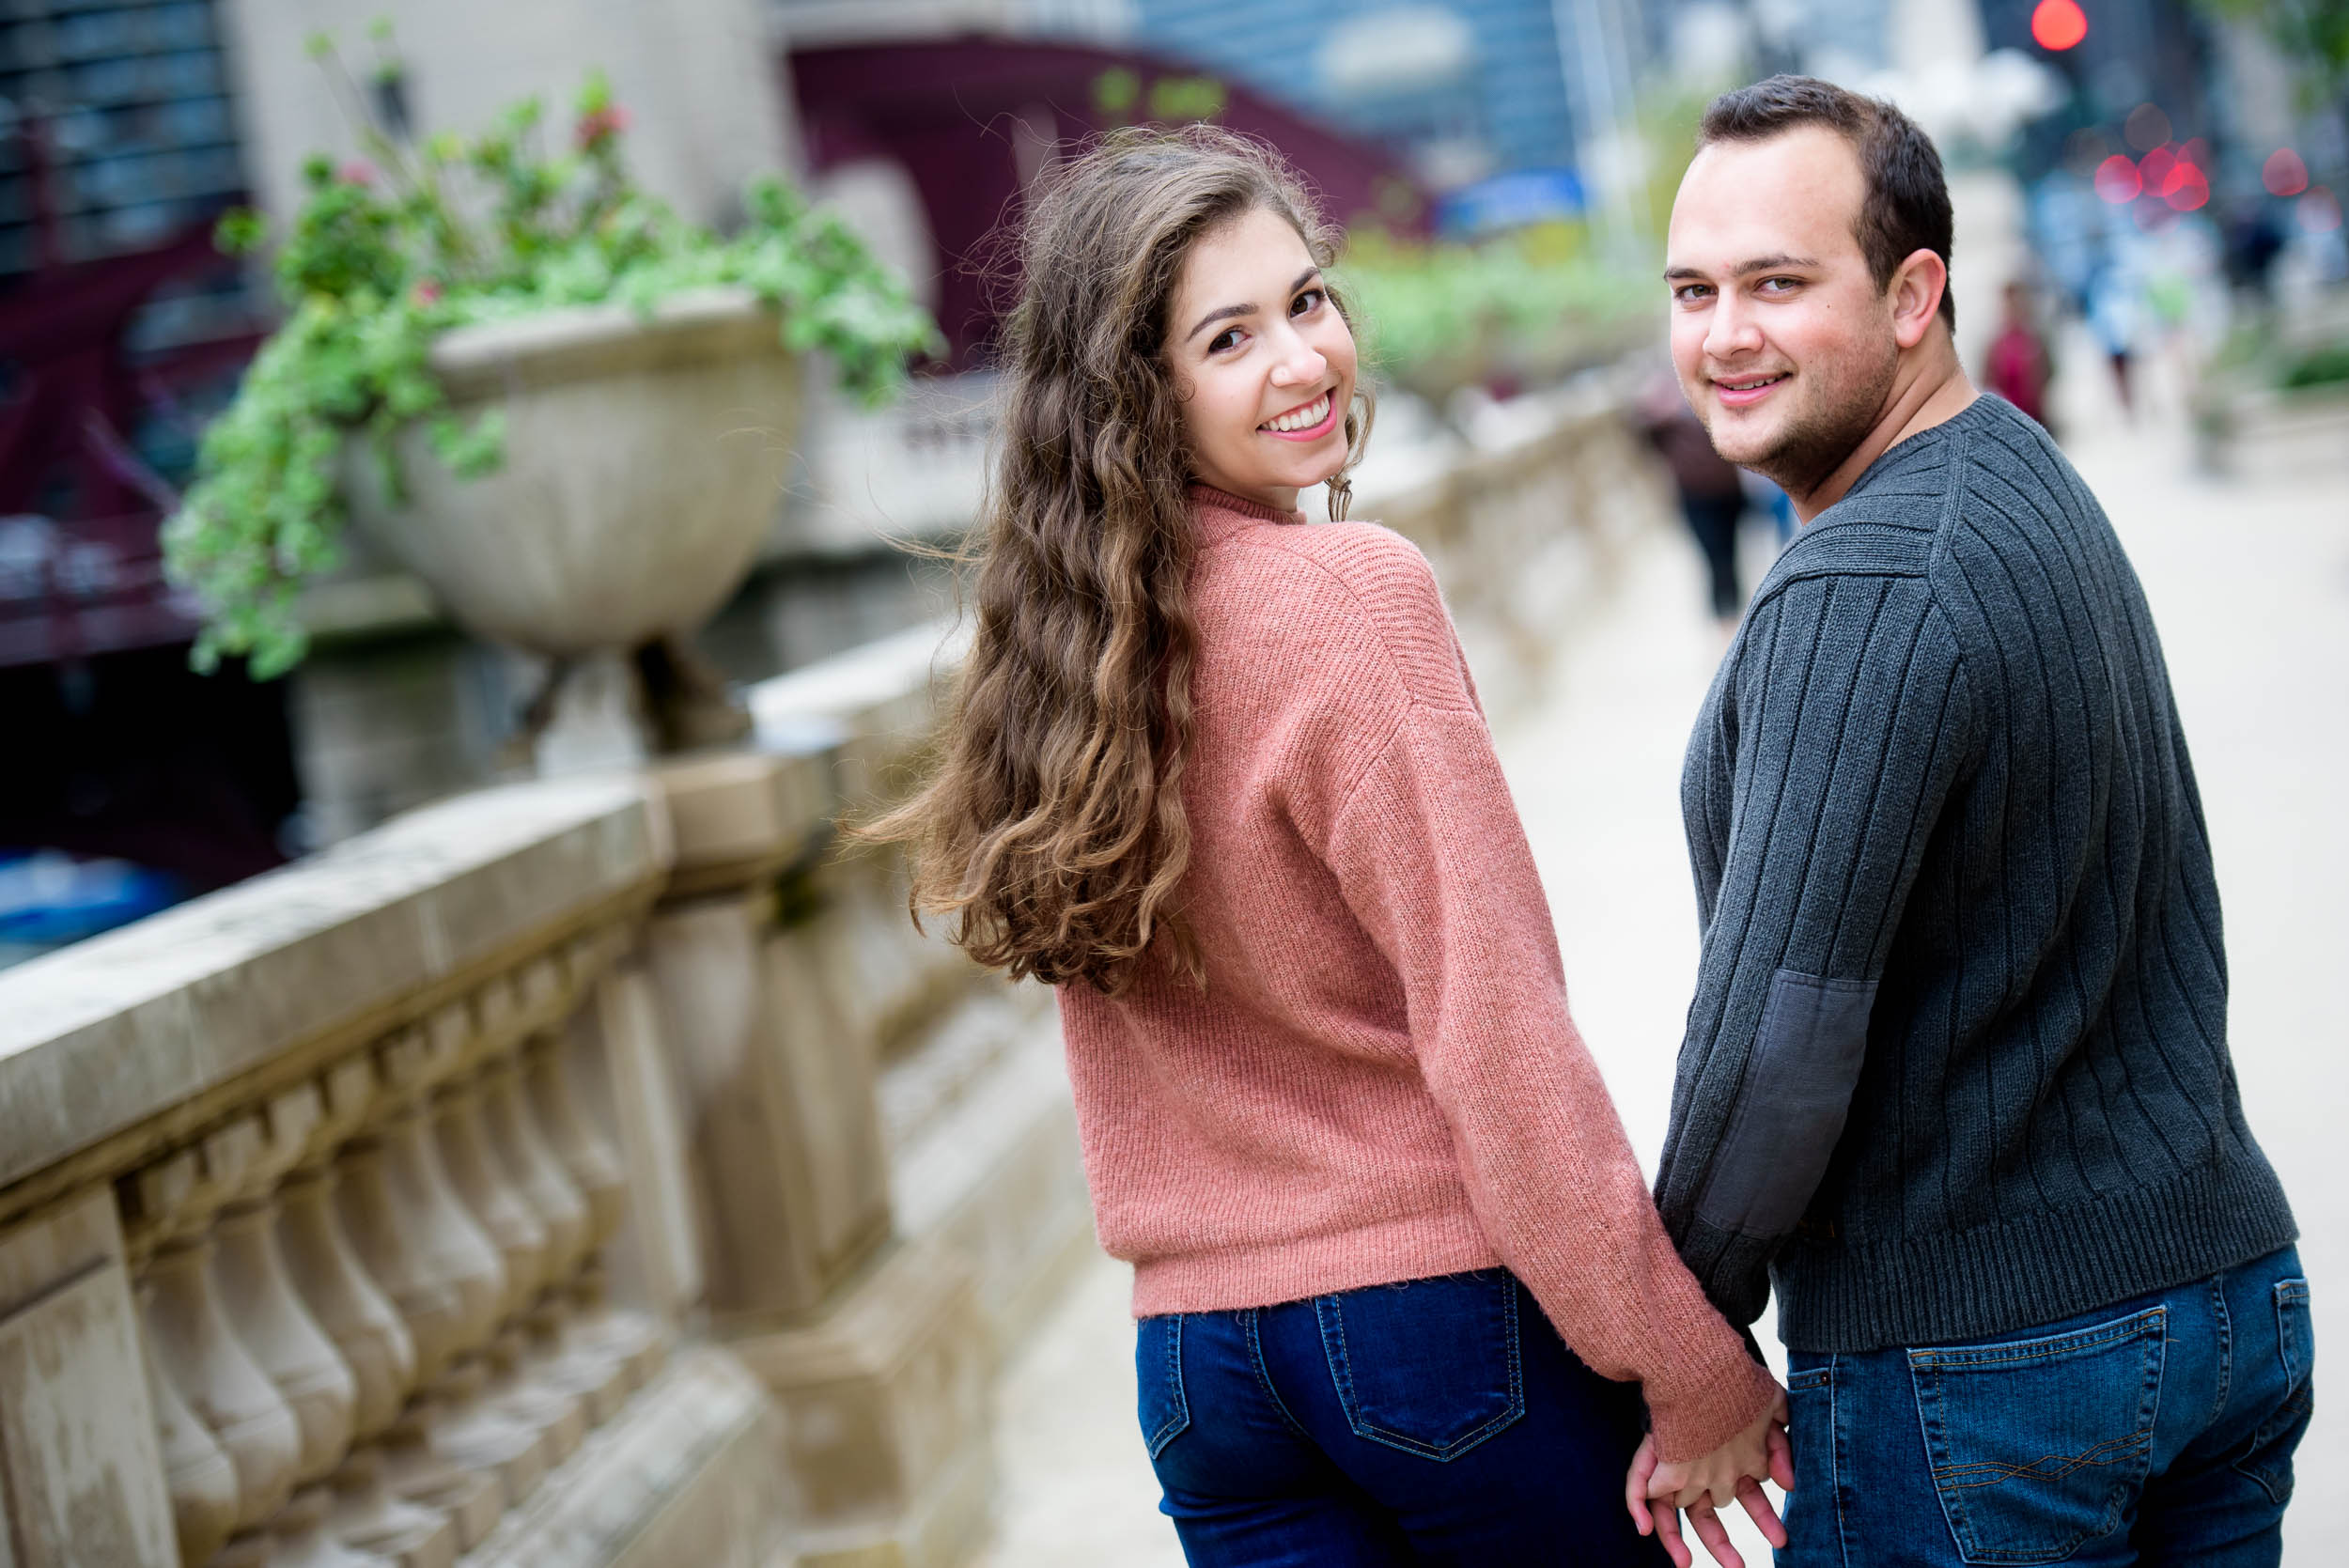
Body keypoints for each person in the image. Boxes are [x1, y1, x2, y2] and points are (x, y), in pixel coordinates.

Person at [866, 125, 1785, 1567]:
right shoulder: (1349, 600)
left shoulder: (1058, 654)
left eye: (1307, 300)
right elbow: (1492, 1027)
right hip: (1433, 1333)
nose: (1304, 361)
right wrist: (1681, 1350)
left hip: (1200, 1373)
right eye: (1228, 338)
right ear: (1135, 394)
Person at [1648, 75, 2308, 1565]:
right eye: (1694, 289)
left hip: (1988, 1369)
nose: (1723, 335)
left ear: (1912, 293)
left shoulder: (1861, 580)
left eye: (1776, 283)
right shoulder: (2016, 473)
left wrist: (1675, 1335)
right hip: (2213, 1293)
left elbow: (1780, 1040)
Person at [1636, 371, 1751, 629]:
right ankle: (1725, 622)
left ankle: (1737, 616)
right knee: (1714, 559)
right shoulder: (1662, 414)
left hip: (1727, 494)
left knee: (1730, 555)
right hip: (1696, 498)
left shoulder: (1717, 398)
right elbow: (1643, 437)